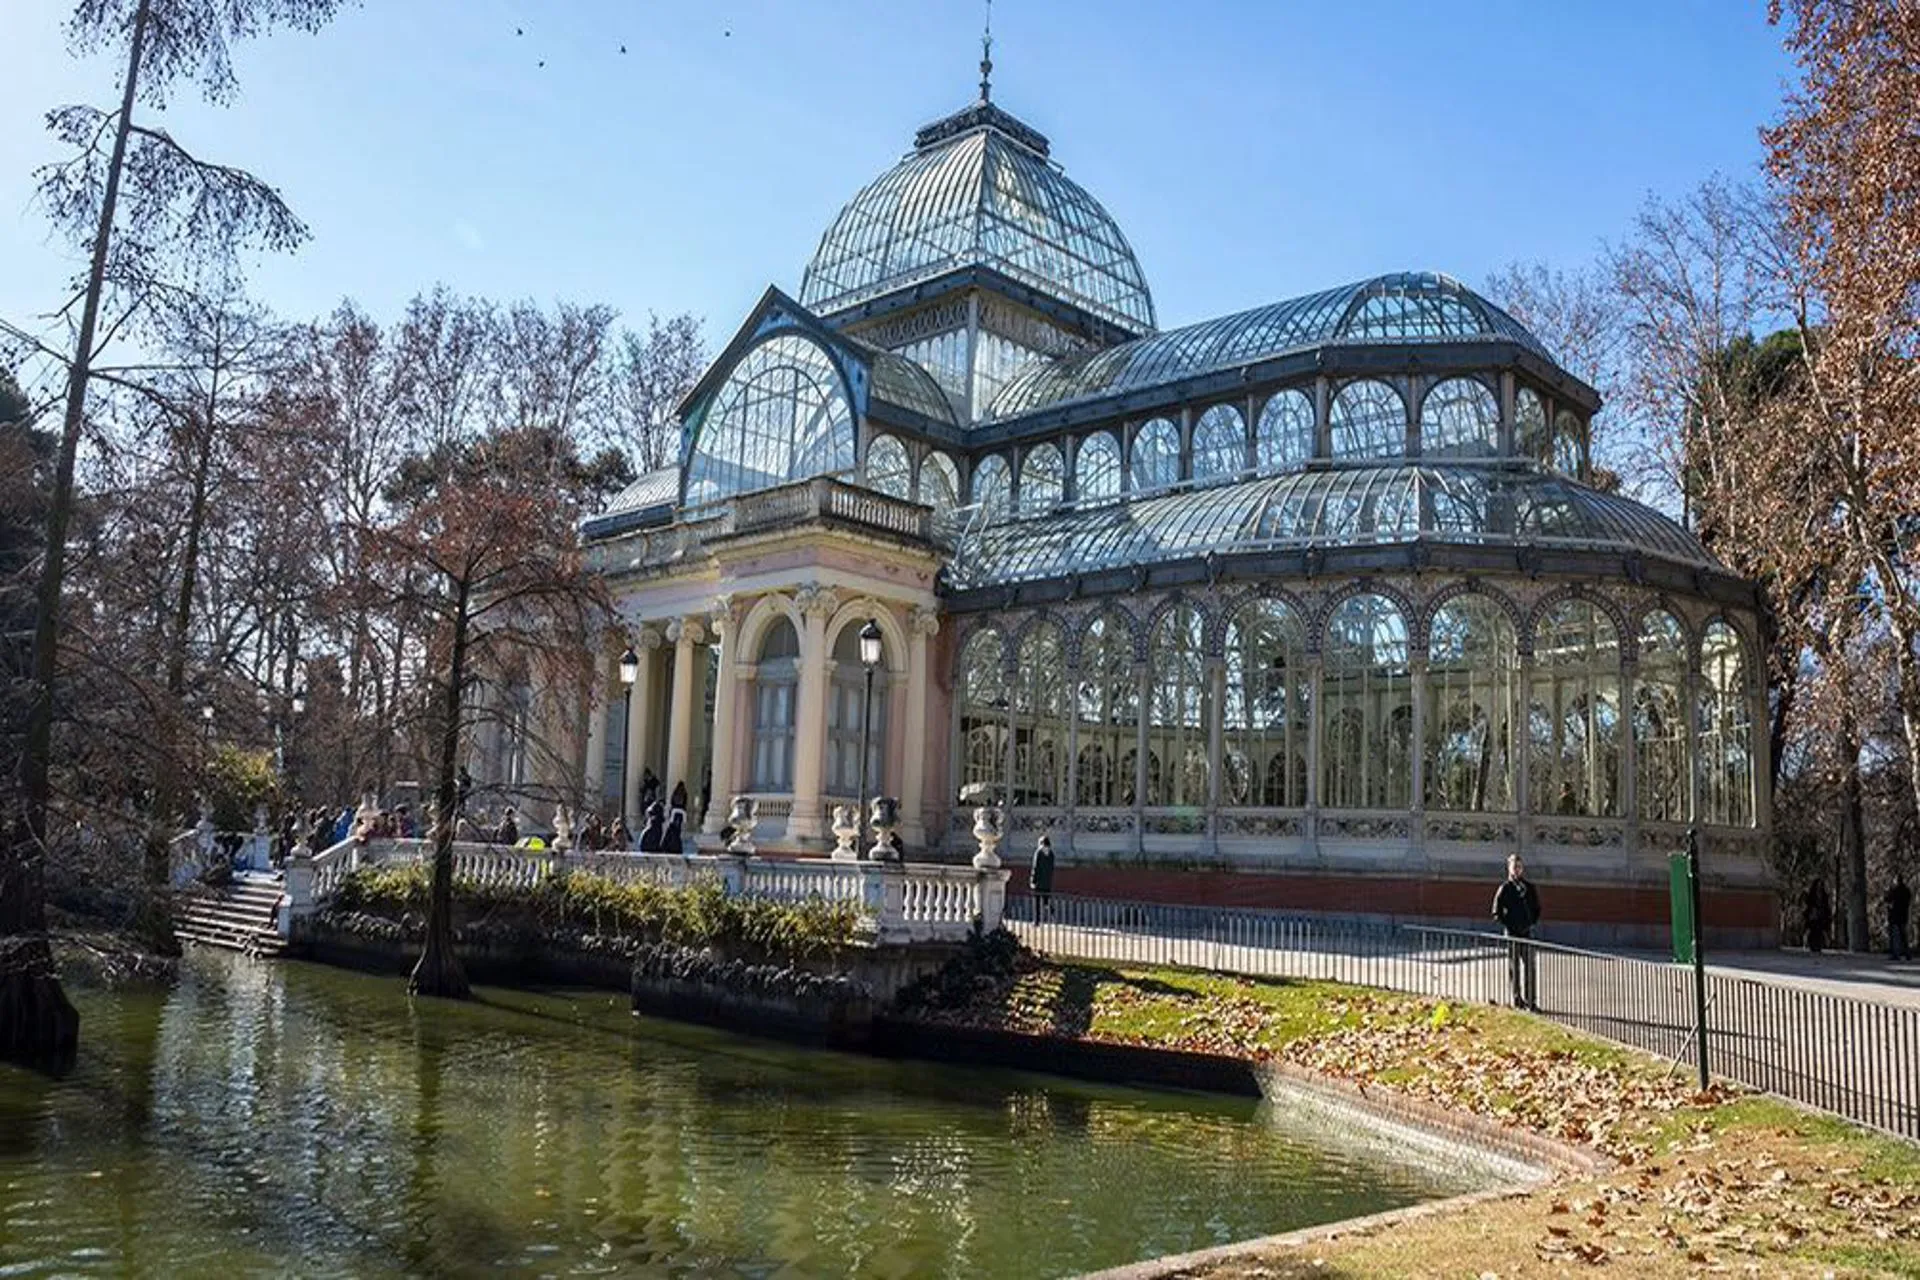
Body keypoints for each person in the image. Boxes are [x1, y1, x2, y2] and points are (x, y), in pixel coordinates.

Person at [1493, 853, 1541, 1010]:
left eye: (1519, 867)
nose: (1517, 870)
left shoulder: (1529, 888)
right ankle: (1517, 998)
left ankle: (1531, 1001)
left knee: (1530, 967)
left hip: (1526, 932)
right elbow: (1496, 911)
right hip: (1512, 933)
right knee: (1515, 968)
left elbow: (1536, 908)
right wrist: (1509, 924)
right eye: (1515, 867)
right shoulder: (1505, 888)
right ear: (1509, 868)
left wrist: (1531, 922)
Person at [1886, 874, 1912, 963]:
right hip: (1904, 915)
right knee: (1903, 936)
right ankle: (1907, 953)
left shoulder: (1895, 891)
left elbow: (1887, 899)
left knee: (1895, 936)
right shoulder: (1906, 891)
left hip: (1895, 916)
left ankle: (1895, 954)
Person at [1029, 834, 1056, 919]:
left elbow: (1035, 867)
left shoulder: (1039, 852)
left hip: (1038, 881)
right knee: (1046, 900)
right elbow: (1051, 868)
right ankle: (1051, 911)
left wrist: (1033, 880)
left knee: (1036, 901)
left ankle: (1037, 920)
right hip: (1047, 881)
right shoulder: (1051, 854)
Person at [1806, 879, 1832, 954]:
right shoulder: (1812, 894)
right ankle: (1812, 945)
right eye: (1818, 885)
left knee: (1820, 930)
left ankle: (1818, 945)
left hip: (1821, 915)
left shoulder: (1824, 895)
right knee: (1813, 930)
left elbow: (1826, 905)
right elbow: (1808, 904)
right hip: (1813, 915)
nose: (1819, 887)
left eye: (1821, 885)